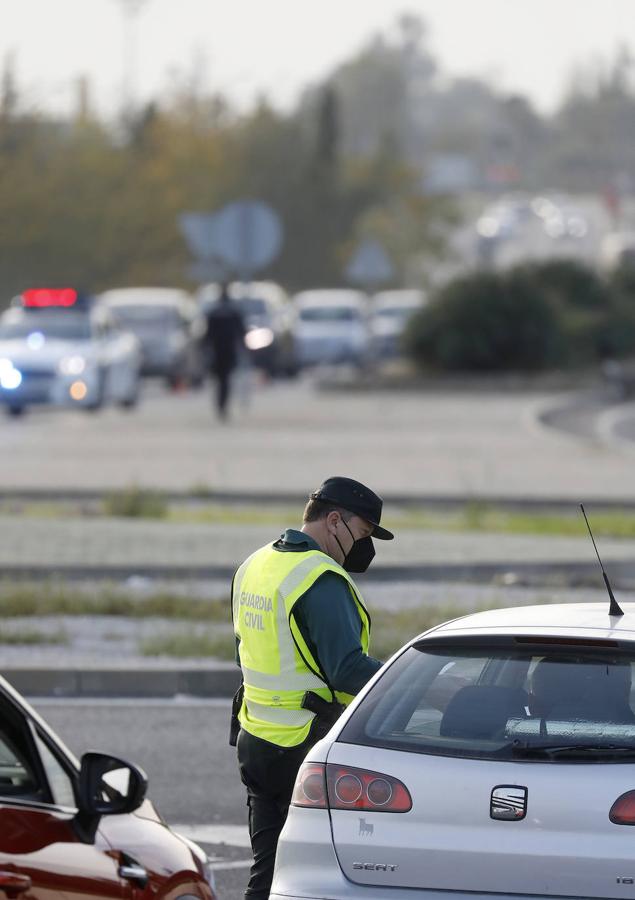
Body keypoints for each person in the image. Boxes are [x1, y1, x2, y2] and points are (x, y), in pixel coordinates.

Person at [231, 476, 394, 900]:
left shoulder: (255, 564)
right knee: (324, 877)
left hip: (256, 740)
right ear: (334, 520)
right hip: (304, 746)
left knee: (266, 873)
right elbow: (347, 670)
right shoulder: (319, 579)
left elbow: (244, 652)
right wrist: (403, 682)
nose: (364, 548)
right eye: (361, 534)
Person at [203, 282, 246, 419]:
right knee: (225, 380)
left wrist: (204, 348)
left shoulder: (214, 312)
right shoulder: (234, 312)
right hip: (228, 350)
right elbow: (241, 332)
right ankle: (223, 405)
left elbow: (208, 335)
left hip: (217, 351)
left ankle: (221, 404)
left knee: (220, 380)